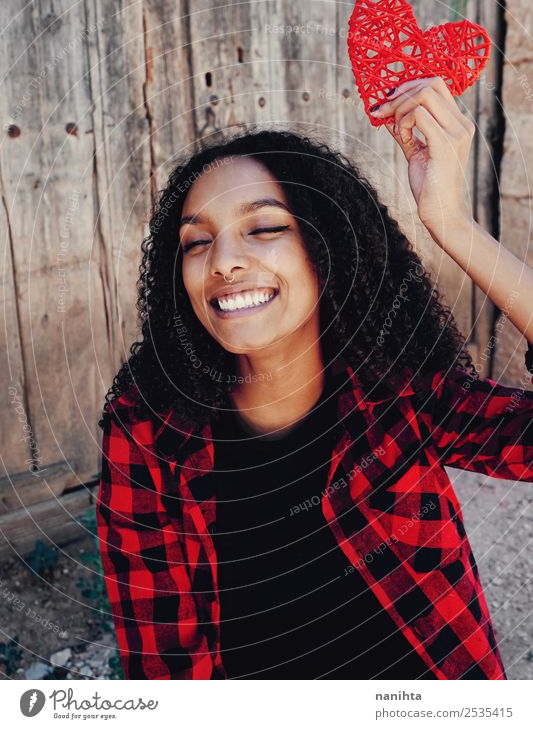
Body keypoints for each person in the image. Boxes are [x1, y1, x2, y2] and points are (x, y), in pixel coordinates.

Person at [96, 76, 533, 680]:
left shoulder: (399, 397)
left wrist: (453, 225)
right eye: (196, 242)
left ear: (327, 251)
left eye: (266, 227)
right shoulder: (147, 429)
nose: (222, 261)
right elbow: (163, 663)